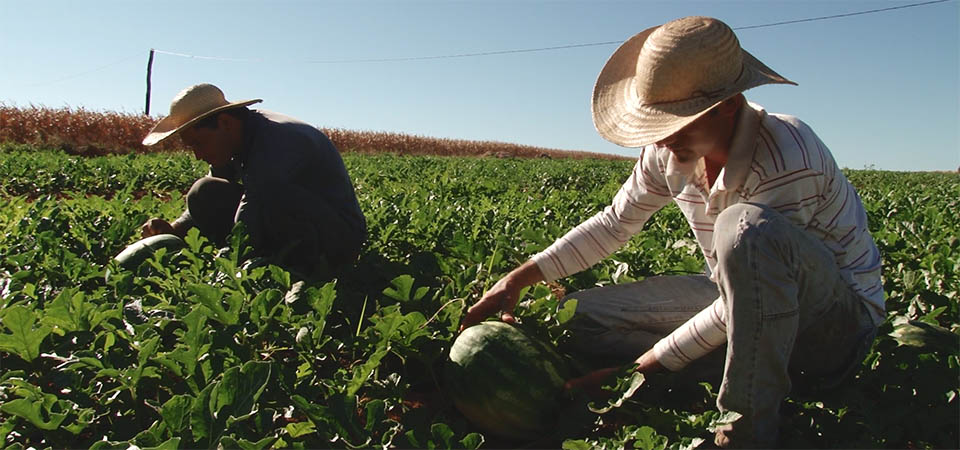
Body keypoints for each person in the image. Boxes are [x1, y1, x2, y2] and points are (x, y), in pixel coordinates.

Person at [460, 16, 883, 448]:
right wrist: (519, 278)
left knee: (744, 229)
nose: (662, 140)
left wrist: (642, 368)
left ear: (729, 105)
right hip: (735, 299)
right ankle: (712, 370)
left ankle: (745, 431)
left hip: (833, 327)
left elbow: (757, 290)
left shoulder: (788, 154)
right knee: (575, 318)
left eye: (677, 122)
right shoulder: (669, 153)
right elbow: (614, 224)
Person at [140, 83, 367, 276]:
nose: (197, 155)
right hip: (291, 220)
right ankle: (268, 260)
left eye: (199, 143)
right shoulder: (235, 138)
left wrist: (227, 267)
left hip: (338, 238)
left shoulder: (279, 138)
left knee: (268, 196)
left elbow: (255, 204)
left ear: (225, 123)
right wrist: (175, 228)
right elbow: (212, 190)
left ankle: (296, 269)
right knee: (205, 192)